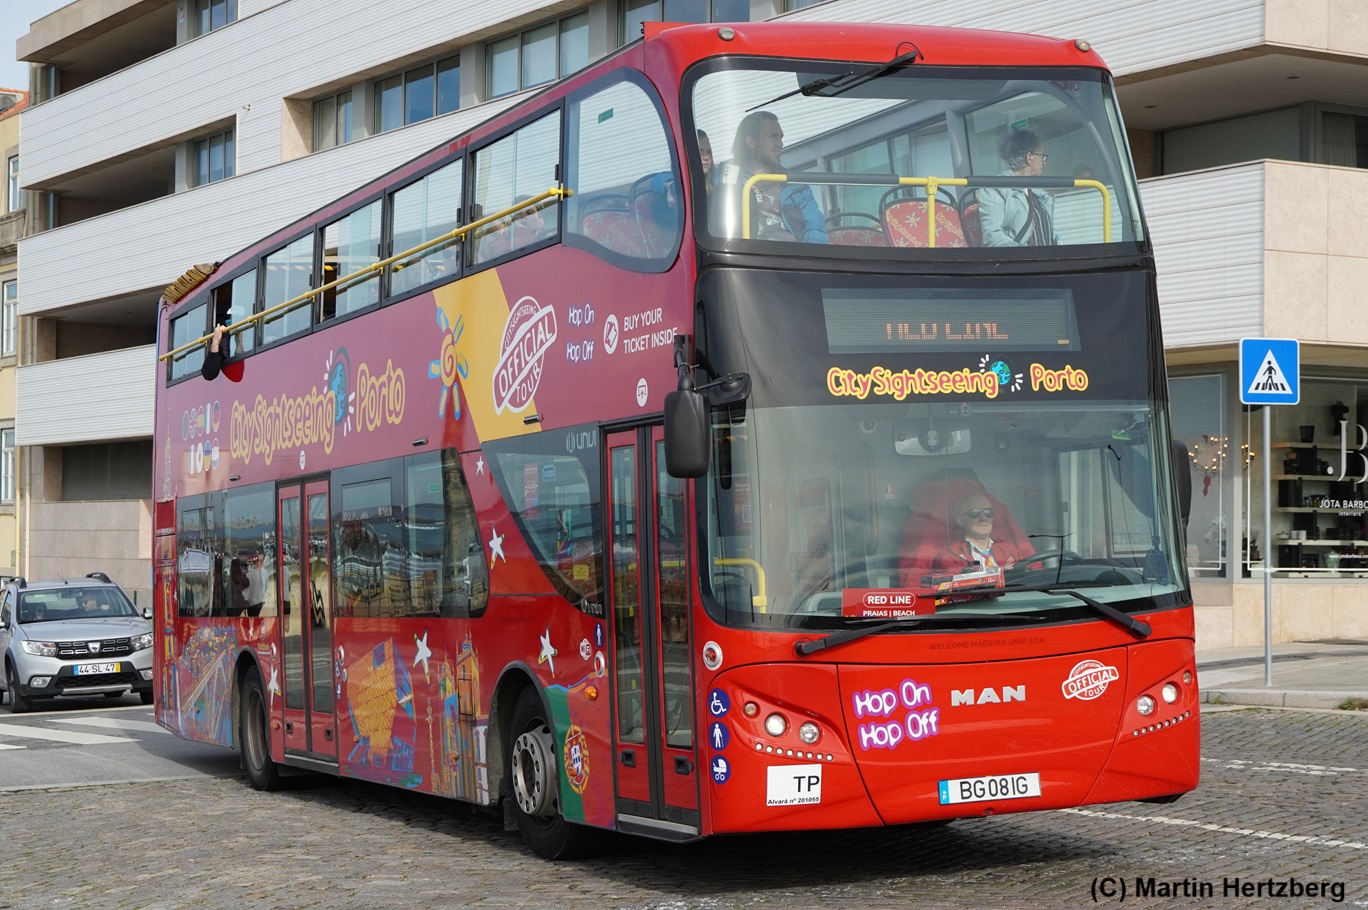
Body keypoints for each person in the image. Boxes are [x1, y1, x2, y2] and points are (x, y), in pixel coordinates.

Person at [898, 478, 1035, 585]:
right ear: (960, 520)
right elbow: (957, 580)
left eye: (988, 512)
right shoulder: (949, 555)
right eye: (975, 513)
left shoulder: (1010, 549)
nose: (983, 518)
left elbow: (1030, 575)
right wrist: (1000, 573)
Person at [717, 111, 827, 243]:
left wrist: (806, 259)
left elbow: (816, 230)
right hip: (744, 258)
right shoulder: (724, 182)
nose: (780, 144)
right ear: (751, 142)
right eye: (773, 136)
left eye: (781, 137)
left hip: (791, 259)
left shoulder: (796, 186)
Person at [976, 127, 1059, 247]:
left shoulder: (1039, 193)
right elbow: (992, 236)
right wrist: (1027, 256)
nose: (1044, 162)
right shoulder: (995, 188)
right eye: (1042, 157)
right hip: (1020, 263)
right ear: (1030, 157)